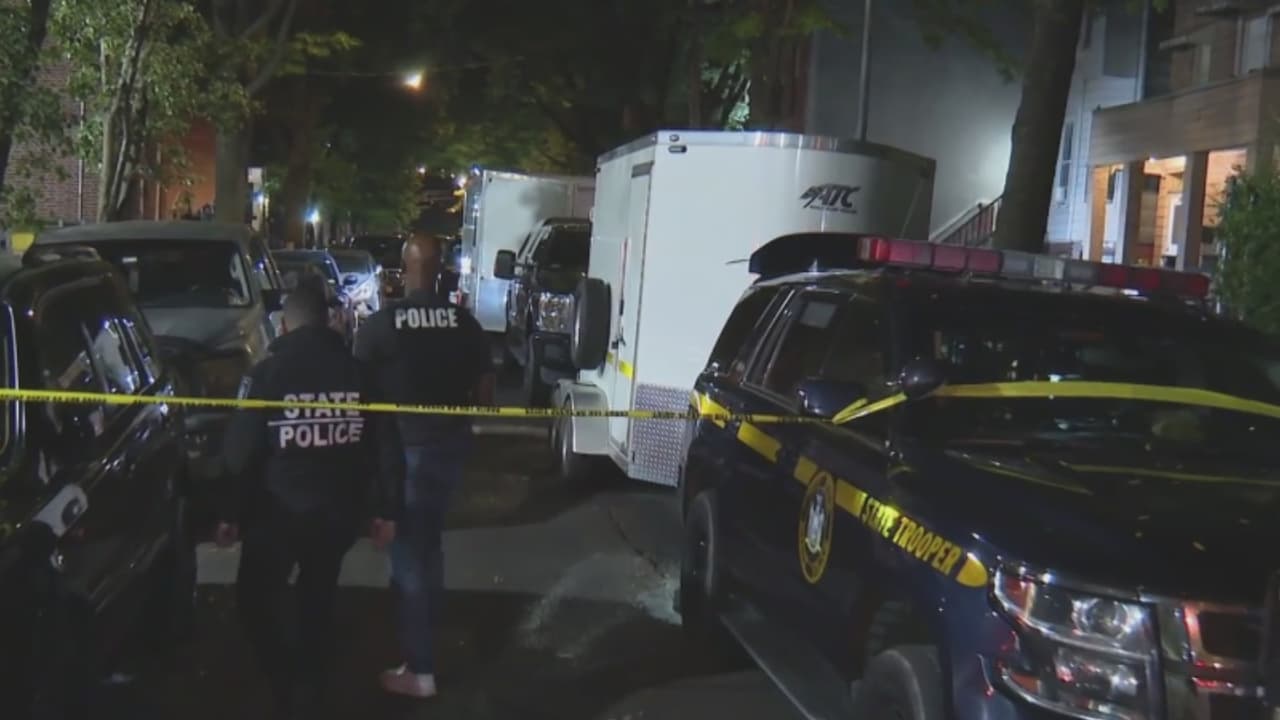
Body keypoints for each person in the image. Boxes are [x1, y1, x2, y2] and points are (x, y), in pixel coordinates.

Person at [216, 282, 399, 718]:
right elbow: (386, 446)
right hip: (337, 513)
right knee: (317, 595)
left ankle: (286, 678)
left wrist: (229, 513)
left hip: (277, 514)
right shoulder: (359, 375)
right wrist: (387, 510)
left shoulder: (266, 374)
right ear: (328, 321)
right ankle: (311, 683)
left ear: (284, 325)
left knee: (255, 598)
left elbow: (240, 450)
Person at [354, 231, 496, 699]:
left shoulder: (381, 326)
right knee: (429, 547)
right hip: (450, 448)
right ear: (441, 270)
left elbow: (359, 395)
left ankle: (420, 670)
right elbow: (485, 396)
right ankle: (424, 645)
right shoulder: (465, 324)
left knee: (409, 556)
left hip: (402, 451)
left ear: (403, 270)